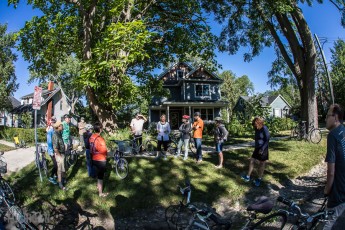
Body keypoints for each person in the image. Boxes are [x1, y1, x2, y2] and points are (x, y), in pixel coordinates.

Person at [323, 104, 345, 230]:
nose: (326, 119)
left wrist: (327, 190)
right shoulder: (343, 130)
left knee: (327, 223)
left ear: (335, 117)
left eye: (327, 116)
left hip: (338, 193)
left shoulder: (333, 135)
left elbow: (331, 172)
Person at [241, 117, 270, 187]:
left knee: (261, 163)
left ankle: (259, 179)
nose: (254, 126)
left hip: (263, 148)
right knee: (252, 161)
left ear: (259, 123)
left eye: (255, 124)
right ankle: (248, 176)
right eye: (253, 125)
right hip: (257, 148)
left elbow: (267, 139)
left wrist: (262, 149)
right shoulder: (256, 129)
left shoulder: (264, 128)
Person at [89, 122, 108, 197]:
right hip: (100, 159)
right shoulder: (100, 139)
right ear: (100, 129)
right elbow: (104, 151)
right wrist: (106, 154)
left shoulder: (92, 137)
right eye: (102, 128)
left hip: (93, 158)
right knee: (100, 177)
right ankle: (100, 193)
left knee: (98, 174)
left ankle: (98, 186)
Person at [52, 121, 67, 190]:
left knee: (63, 168)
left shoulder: (60, 133)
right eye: (61, 126)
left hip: (62, 153)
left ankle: (64, 180)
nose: (62, 127)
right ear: (58, 127)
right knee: (60, 169)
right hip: (59, 154)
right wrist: (59, 156)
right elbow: (55, 148)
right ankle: (60, 183)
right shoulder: (55, 135)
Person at [46, 116, 58, 184]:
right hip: (52, 151)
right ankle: (51, 177)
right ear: (51, 122)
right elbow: (49, 142)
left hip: (56, 150)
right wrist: (51, 152)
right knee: (56, 165)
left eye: (54, 122)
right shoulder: (50, 131)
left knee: (57, 164)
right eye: (52, 122)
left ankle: (56, 175)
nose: (53, 123)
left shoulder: (55, 130)